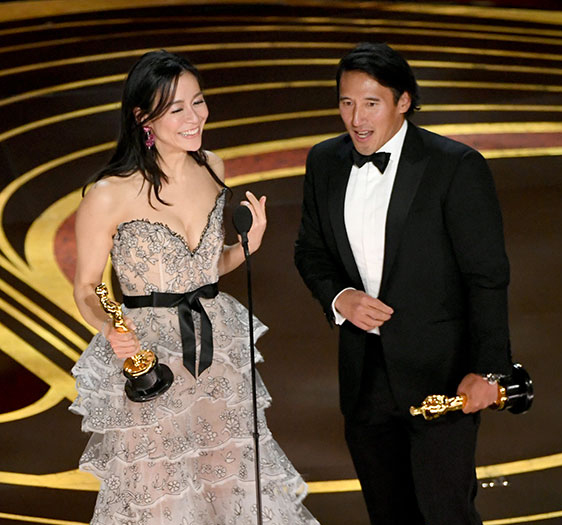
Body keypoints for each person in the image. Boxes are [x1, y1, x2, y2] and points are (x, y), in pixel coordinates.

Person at [70, 50, 319, 525]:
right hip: (152, 355)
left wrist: (249, 247)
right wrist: (112, 329)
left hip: (215, 344)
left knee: (227, 478)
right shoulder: (108, 194)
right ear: (143, 117)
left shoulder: (213, 167)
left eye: (198, 102)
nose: (194, 117)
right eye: (177, 108)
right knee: (160, 492)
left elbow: (204, 270)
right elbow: (86, 287)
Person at [294, 42, 514, 525]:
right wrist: (339, 297)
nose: (356, 118)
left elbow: (487, 277)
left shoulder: (455, 166)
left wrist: (490, 372)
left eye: (371, 103)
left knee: (446, 513)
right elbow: (309, 251)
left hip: (440, 376)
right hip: (364, 377)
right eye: (346, 103)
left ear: (404, 102)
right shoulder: (324, 162)